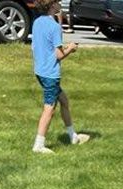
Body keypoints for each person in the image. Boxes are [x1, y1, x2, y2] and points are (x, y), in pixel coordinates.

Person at [30, 0, 89, 154]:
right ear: (52, 5)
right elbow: (59, 54)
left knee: (64, 101)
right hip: (50, 73)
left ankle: (72, 136)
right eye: (57, 1)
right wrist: (70, 48)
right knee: (49, 109)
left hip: (40, 70)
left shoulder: (37, 22)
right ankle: (39, 145)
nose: (60, 4)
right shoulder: (55, 26)